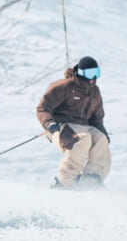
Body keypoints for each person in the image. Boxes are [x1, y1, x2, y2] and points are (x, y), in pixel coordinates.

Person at [37, 56, 111, 189]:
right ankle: (66, 181)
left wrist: (103, 131)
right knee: (83, 139)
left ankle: (92, 179)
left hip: (84, 126)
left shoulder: (95, 92)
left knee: (101, 140)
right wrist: (49, 124)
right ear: (81, 73)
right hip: (60, 126)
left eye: (96, 73)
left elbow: (97, 118)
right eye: (90, 73)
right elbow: (43, 108)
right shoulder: (64, 86)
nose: (94, 77)